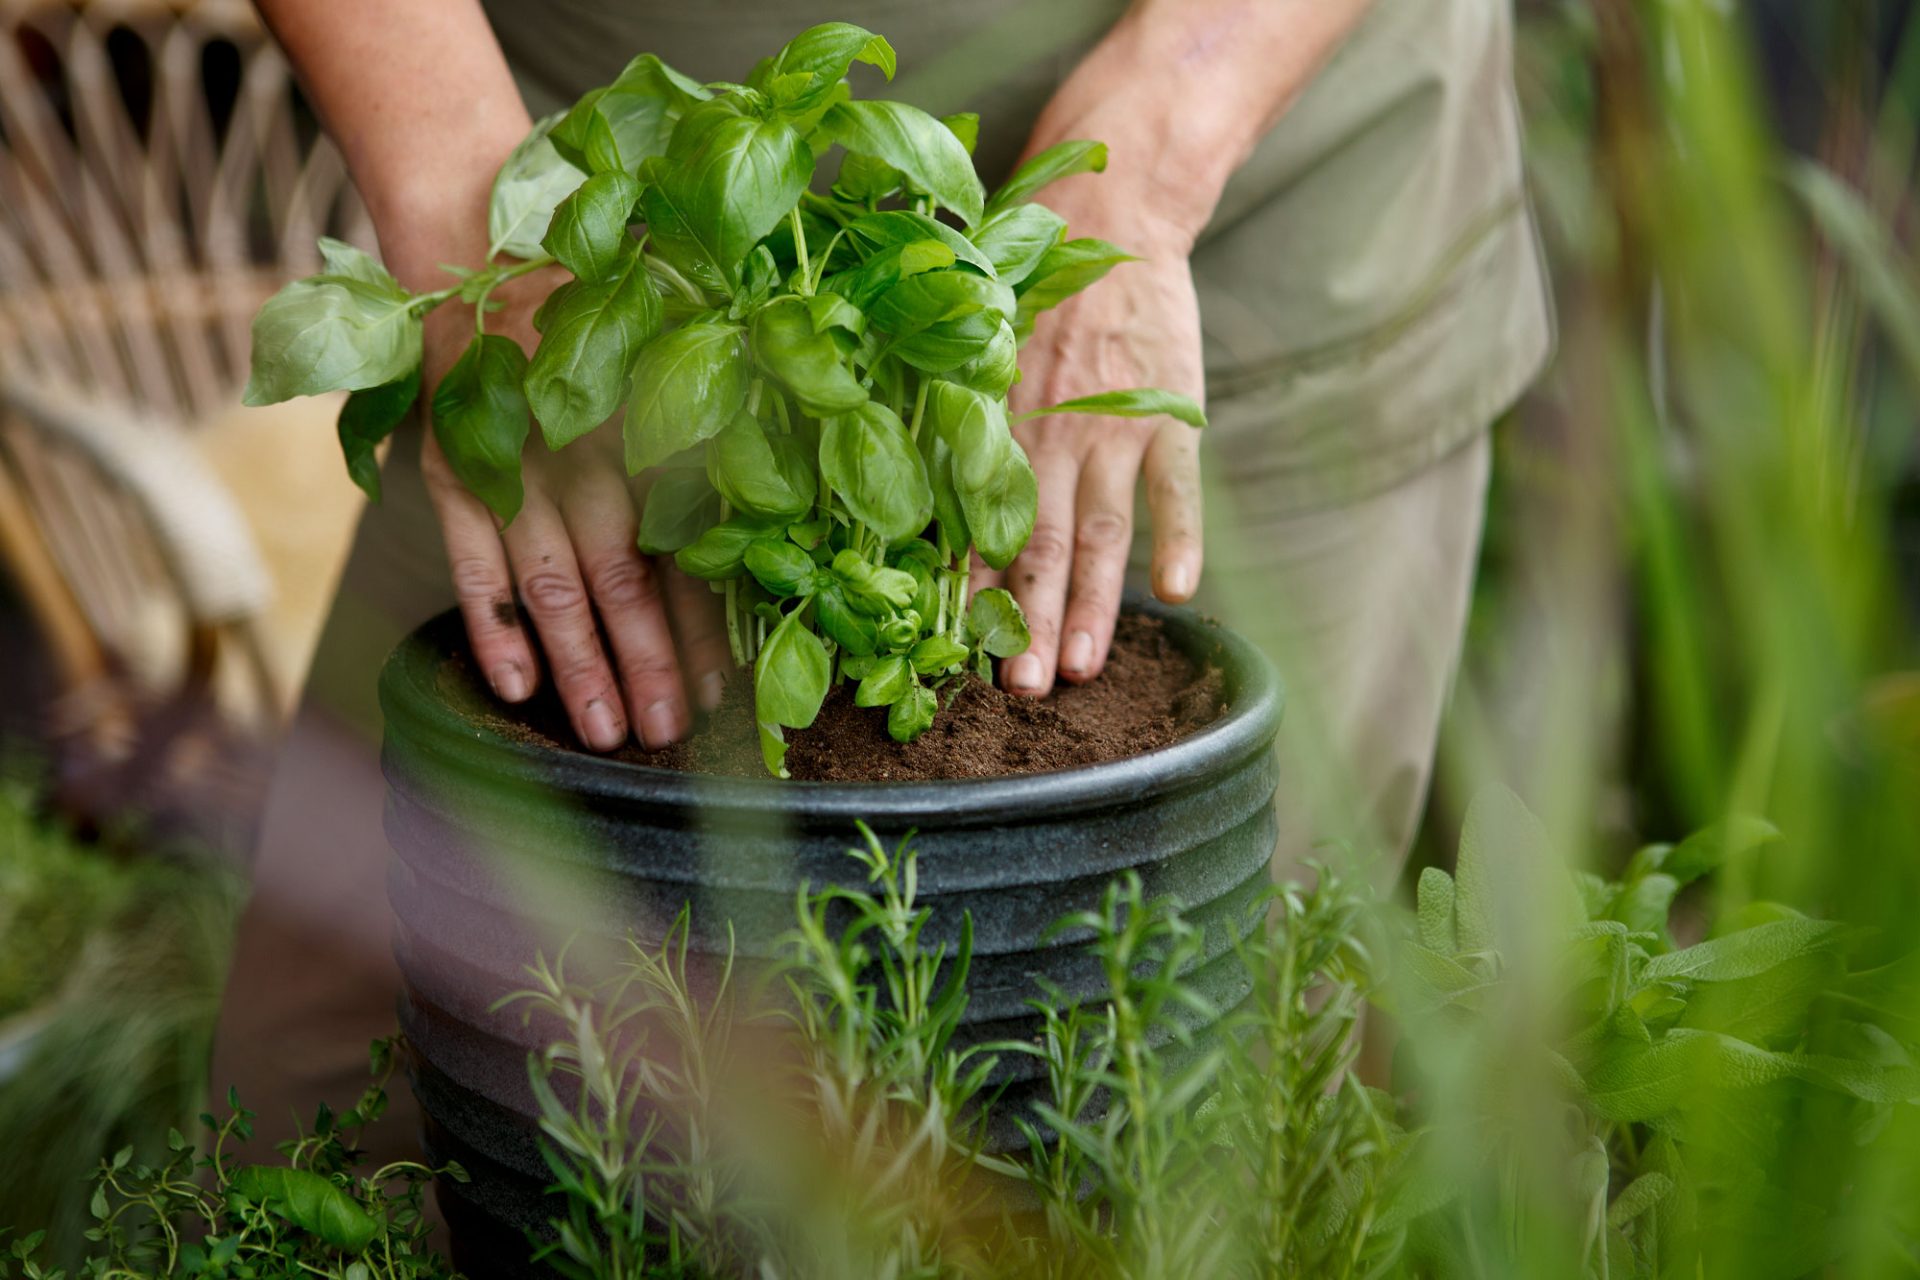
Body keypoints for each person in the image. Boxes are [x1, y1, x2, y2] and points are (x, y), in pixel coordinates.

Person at [215, 0, 1550, 1167]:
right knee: (338, 1102)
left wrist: (1165, 136)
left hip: (1224, 205)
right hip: (589, 239)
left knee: (1174, 1124)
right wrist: (460, 203)